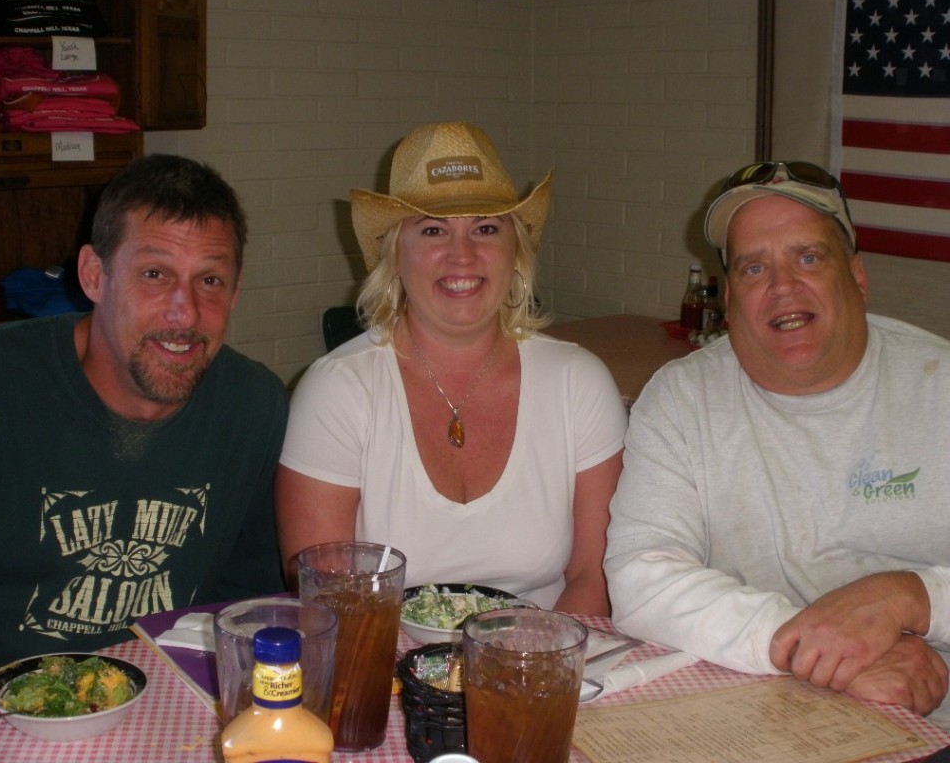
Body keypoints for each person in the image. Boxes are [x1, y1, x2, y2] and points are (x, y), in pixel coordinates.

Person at [0, 154, 289, 727]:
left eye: (210, 280)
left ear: (236, 291)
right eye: (155, 274)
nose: (185, 312)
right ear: (94, 275)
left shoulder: (254, 404)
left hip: (163, 710)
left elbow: (248, 601)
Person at [604, 161, 950, 725]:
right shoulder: (681, 398)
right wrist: (821, 648)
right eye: (754, 267)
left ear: (858, 275)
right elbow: (641, 579)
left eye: (808, 258)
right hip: (755, 715)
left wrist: (911, 597)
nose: (782, 287)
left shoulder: (940, 385)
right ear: (729, 296)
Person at [275, 121, 627, 615]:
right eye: (433, 230)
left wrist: (531, 656)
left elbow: (596, 576)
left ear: (516, 251)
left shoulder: (578, 383)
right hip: (382, 654)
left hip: (540, 651)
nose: (462, 255)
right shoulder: (338, 390)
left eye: (486, 229)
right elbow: (325, 596)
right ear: (395, 254)